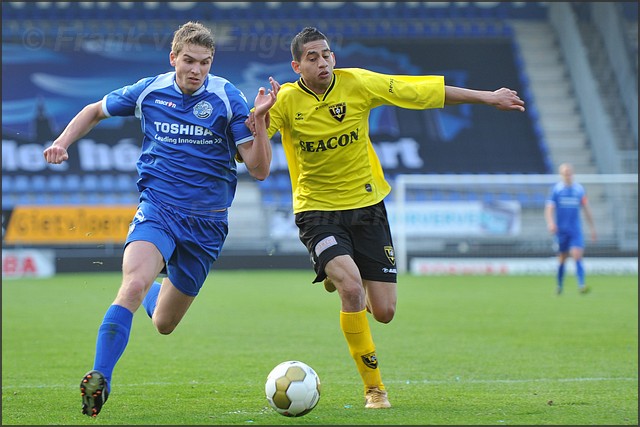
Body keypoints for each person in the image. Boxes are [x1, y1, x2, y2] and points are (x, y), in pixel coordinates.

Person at [247, 26, 526, 409]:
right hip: (317, 212)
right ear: (297, 65)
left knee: (385, 312)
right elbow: (254, 160)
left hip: (367, 208)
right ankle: (374, 389)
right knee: (351, 290)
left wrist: (487, 97)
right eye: (312, 57)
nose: (323, 61)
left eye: (326, 53)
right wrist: (260, 120)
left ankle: (340, 275)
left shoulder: (358, 83)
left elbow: (421, 92)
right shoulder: (286, 101)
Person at [42, 21, 278, 418]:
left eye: (205, 62)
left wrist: (262, 125)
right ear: (173, 59)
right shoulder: (150, 89)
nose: (197, 69)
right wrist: (61, 142)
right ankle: (100, 379)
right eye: (189, 60)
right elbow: (94, 110)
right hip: (159, 209)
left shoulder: (228, 98)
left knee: (165, 323)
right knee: (132, 284)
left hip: (207, 224)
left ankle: (158, 293)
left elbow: (257, 169)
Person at [544, 162, 597, 295]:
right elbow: (549, 208)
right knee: (562, 257)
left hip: (575, 230)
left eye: (569, 172)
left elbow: (586, 209)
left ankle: (581, 285)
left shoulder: (579, 189)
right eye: (565, 173)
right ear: (561, 174)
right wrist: (550, 223)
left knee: (577, 254)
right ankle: (559, 285)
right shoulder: (556, 190)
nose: (568, 175)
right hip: (561, 230)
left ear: (572, 173)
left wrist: (592, 228)